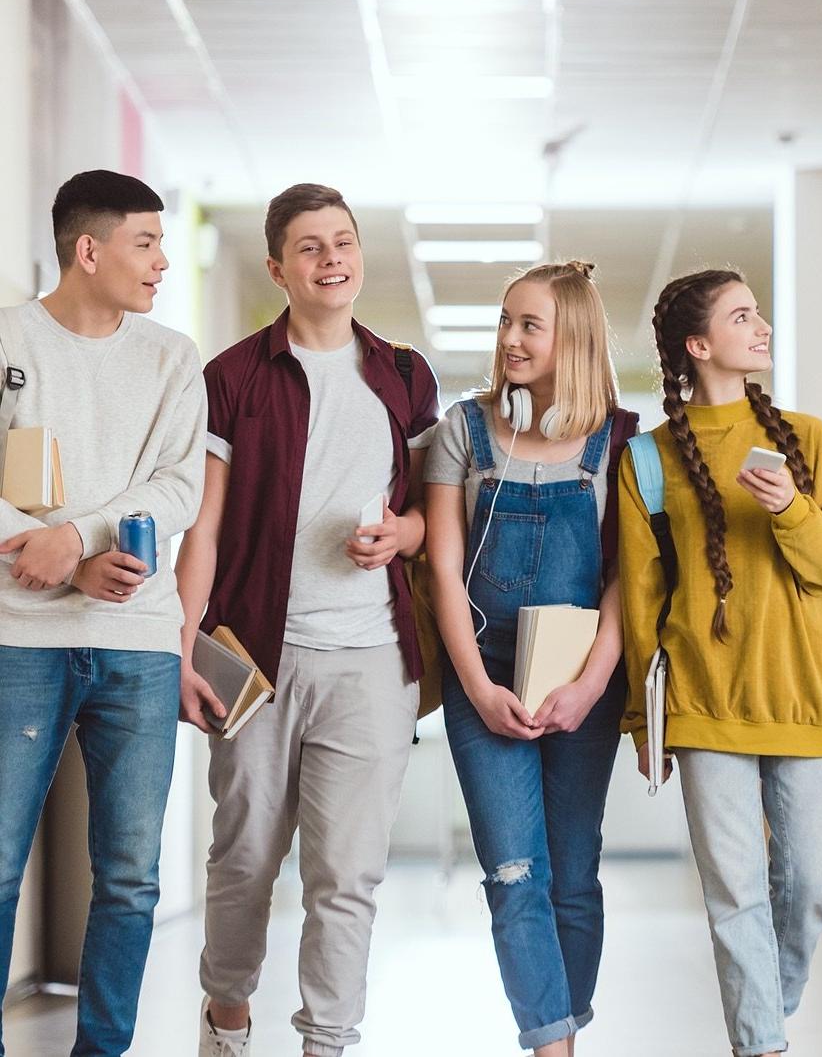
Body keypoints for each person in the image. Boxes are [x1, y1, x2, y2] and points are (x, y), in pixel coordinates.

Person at [175, 183, 439, 1057]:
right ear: (278, 268)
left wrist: (404, 532)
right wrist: (185, 647)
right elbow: (204, 527)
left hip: (372, 660)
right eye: (311, 248)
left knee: (346, 874)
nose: (333, 260)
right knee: (245, 854)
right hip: (256, 653)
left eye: (344, 242)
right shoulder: (236, 375)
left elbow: (433, 513)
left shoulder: (402, 373)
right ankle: (227, 1011)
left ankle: (329, 1038)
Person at [619, 268, 822, 1057]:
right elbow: (642, 597)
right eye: (742, 316)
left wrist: (790, 509)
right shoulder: (648, 461)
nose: (761, 327)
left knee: (809, 889)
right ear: (699, 346)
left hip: (809, 697)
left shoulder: (811, 439)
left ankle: (766, 1012)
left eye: (758, 314)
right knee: (733, 895)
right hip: (703, 699)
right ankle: (762, 1045)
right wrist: (638, 717)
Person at [0, 169, 206, 1057]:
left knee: (129, 877)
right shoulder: (8, 342)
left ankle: (103, 1051)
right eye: (146, 242)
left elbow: (180, 485)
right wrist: (40, 553)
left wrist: (79, 547)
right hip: (19, 638)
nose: (161, 262)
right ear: (90, 250)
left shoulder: (171, 357)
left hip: (138, 641)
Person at [424, 260, 636, 1056]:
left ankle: (565, 1028)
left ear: (571, 338)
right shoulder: (464, 431)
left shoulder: (620, 442)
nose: (509, 338)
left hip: (582, 682)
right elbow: (444, 569)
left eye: (529, 324)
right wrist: (474, 687)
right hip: (483, 680)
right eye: (505, 321)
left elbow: (627, 579)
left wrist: (589, 686)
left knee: (573, 876)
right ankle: (551, 1044)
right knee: (514, 874)